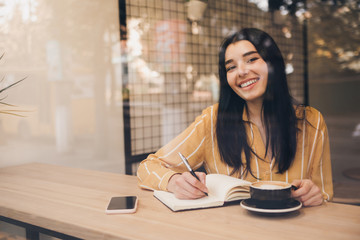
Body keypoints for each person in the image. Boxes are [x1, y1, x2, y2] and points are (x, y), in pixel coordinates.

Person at [137, 28, 333, 207]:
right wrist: (173, 182)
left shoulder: (312, 121)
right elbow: (148, 166)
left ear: (273, 64)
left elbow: (324, 195)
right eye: (231, 67)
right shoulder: (212, 120)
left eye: (251, 59)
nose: (241, 72)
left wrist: (316, 196)